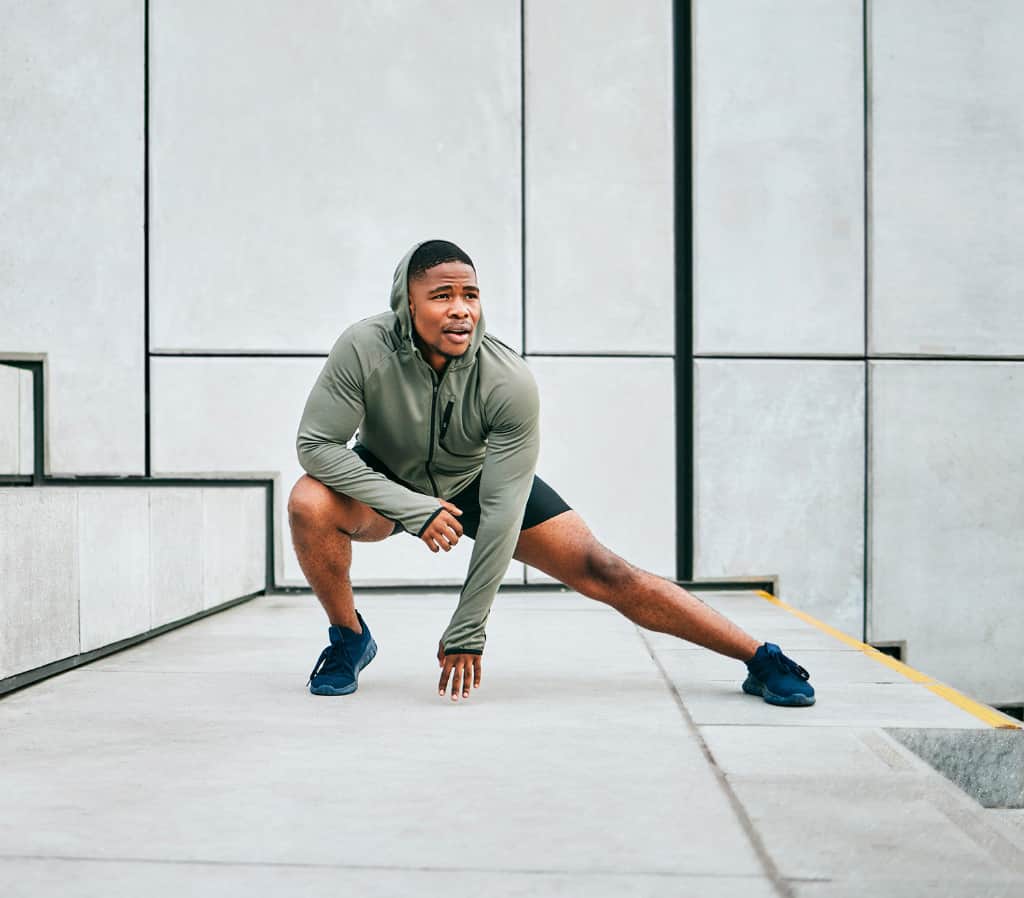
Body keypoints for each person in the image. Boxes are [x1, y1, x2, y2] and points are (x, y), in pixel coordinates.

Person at [288, 240, 815, 707]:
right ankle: (349, 638)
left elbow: (501, 513)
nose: (460, 309)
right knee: (308, 502)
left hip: (475, 480)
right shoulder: (364, 348)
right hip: (383, 479)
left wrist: (469, 626)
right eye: (442, 295)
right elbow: (315, 445)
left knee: (604, 569)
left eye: (470, 295)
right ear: (407, 302)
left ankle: (760, 658)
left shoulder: (506, 379)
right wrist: (413, 508)